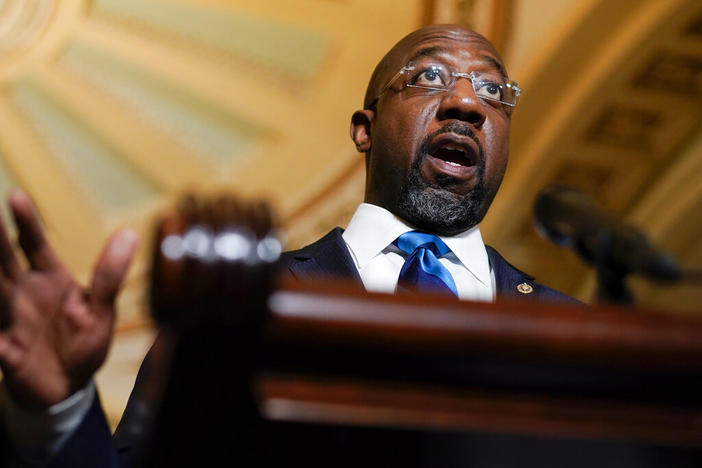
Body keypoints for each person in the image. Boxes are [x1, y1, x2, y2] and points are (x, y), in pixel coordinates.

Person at [0, 25, 576, 467]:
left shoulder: (568, 329)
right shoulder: (232, 306)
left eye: (494, 91)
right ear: (365, 129)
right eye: (427, 78)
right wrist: (60, 409)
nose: (468, 105)